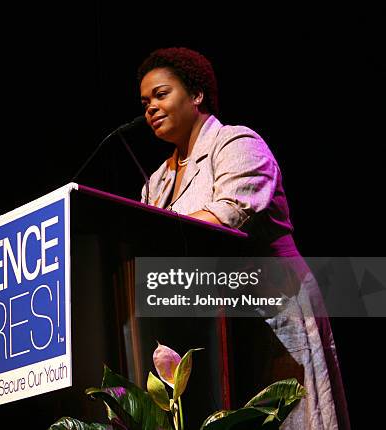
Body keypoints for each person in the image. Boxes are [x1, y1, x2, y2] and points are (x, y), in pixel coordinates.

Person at [137, 47, 350, 430]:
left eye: (161, 94)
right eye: (145, 101)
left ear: (197, 95)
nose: (150, 107)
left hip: (273, 314)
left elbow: (228, 216)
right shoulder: (155, 181)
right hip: (212, 326)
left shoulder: (237, 144)